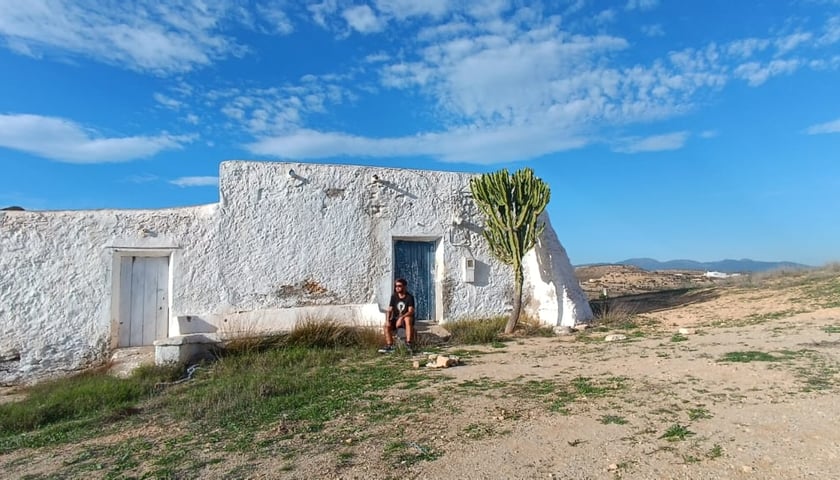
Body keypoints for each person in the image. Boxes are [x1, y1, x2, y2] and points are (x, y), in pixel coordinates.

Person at [378, 278, 415, 353]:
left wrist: (401, 317)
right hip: (396, 319)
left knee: (407, 319)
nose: (397, 287)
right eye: (396, 286)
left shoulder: (409, 297)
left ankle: (409, 344)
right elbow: (389, 310)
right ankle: (390, 345)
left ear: (404, 287)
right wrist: (388, 320)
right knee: (386, 325)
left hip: (404, 320)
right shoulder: (394, 297)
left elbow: (411, 311)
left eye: (399, 286)